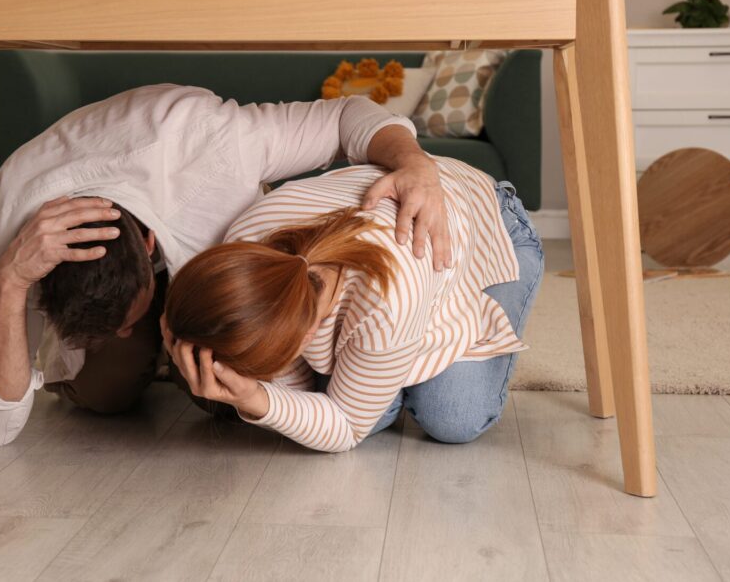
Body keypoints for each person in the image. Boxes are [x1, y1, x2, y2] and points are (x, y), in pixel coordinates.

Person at [0, 83, 454, 447]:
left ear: (147, 243)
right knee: (106, 396)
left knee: (223, 397)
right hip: (63, 244)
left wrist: (414, 163)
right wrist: (11, 282)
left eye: (128, 321)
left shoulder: (211, 142)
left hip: (197, 229)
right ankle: (122, 359)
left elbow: (347, 115)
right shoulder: (10, 234)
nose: (128, 332)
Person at [164, 158, 543, 451]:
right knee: (365, 408)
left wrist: (258, 399)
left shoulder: (388, 299)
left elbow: (346, 425)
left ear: (308, 332)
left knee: (452, 418)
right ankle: (391, 367)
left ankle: (397, 362)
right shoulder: (244, 242)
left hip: (490, 225)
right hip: (404, 257)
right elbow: (300, 395)